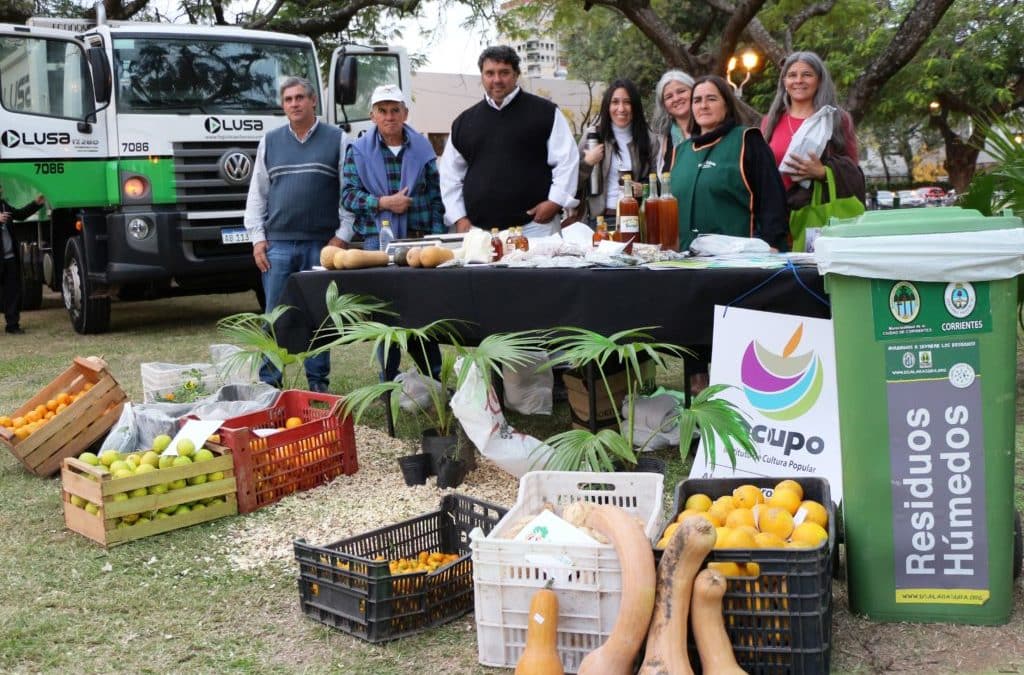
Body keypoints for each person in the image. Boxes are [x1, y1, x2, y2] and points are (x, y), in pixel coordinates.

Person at [244, 76, 346, 393]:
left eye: (300, 97)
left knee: (319, 316)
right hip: (278, 246)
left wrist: (342, 236)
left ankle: (318, 388)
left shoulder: (337, 139)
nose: (294, 104)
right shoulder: (270, 142)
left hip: (322, 245)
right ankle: (269, 386)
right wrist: (257, 238)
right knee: (274, 316)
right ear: (283, 105)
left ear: (313, 101)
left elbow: (348, 191)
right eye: (288, 99)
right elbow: (257, 194)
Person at [341, 83, 443, 380]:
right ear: (372, 116)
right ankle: (387, 379)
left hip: (419, 239)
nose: (389, 116)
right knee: (385, 313)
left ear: (405, 113)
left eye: (395, 110)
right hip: (377, 240)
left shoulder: (424, 149)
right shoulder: (357, 151)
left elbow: (437, 198)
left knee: (423, 312)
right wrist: (383, 202)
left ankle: (433, 377)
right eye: (382, 111)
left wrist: (435, 239)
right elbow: (348, 196)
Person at [440, 45, 579, 237]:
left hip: (535, 227)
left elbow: (567, 161)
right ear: (482, 76)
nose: (496, 80)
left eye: (504, 72)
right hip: (480, 232)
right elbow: (450, 177)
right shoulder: (464, 122)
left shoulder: (545, 113)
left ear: (516, 74)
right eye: (490, 73)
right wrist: (459, 218)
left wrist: (555, 202)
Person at [670, 74, 788, 252]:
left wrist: (772, 244)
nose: (703, 106)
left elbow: (772, 199)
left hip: (736, 262)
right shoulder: (679, 152)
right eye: (697, 100)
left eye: (711, 99)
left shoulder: (748, 141)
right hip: (685, 263)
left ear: (726, 104)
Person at [760, 51, 865, 233]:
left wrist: (824, 172)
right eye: (792, 75)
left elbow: (854, 174)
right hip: (775, 219)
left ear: (819, 80)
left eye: (807, 74)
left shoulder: (837, 120)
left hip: (817, 217)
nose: (799, 80)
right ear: (784, 82)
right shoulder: (769, 122)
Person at [577, 78, 656, 225]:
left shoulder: (649, 139)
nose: (621, 108)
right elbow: (571, 183)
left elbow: (658, 180)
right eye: (615, 102)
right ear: (607, 105)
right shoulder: (592, 136)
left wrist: (644, 189)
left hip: (634, 219)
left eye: (627, 102)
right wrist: (588, 163)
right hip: (598, 221)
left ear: (635, 106)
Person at [0, 188, 45, 335]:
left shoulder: (3, 205)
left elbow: (20, 215)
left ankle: (12, 325)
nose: (1, 189)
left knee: (12, 292)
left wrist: (36, 204)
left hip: (10, 258)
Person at [652, 70, 695, 174]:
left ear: (694, 92)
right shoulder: (662, 139)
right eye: (669, 96)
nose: (676, 98)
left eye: (681, 91)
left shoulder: (709, 129)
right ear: (664, 105)